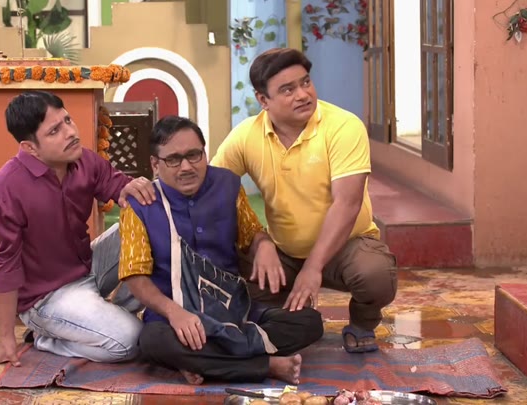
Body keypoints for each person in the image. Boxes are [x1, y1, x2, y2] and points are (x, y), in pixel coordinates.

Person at [211, 48, 397, 353]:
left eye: (306, 82)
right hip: (283, 251)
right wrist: (260, 241)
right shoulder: (246, 135)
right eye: (288, 89)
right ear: (263, 100)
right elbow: (214, 189)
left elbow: (347, 204)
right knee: (227, 259)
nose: (303, 95)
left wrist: (313, 267)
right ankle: (288, 316)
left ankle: (362, 322)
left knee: (375, 275)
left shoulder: (343, 126)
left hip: (346, 247)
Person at [118, 115, 324, 385]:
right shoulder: (140, 204)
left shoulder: (228, 185)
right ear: (155, 164)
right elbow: (135, 276)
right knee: (153, 341)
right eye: (174, 160)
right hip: (176, 316)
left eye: (194, 155)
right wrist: (173, 312)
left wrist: (264, 245)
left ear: (205, 153)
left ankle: (198, 360)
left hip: (235, 312)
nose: (186, 167)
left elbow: (252, 233)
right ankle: (264, 366)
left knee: (309, 322)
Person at [0, 90, 156, 366]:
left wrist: (134, 188)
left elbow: (119, 187)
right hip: (47, 296)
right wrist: (6, 340)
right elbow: (5, 267)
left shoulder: (84, 161)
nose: (70, 132)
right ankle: (46, 339)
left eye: (68, 120)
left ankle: (106, 318)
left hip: (88, 267)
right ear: (30, 148)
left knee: (149, 220)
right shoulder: (6, 188)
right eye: (54, 131)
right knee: (130, 342)